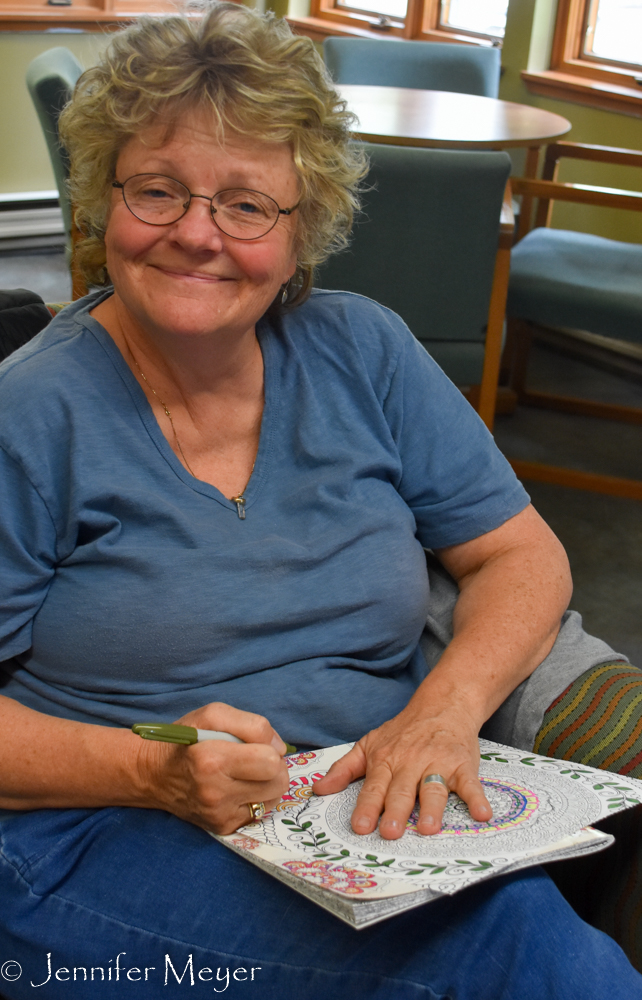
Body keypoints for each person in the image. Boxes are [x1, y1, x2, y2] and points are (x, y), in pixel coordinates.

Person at [0, 4, 641, 997]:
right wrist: (149, 770)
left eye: (247, 205)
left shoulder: (364, 349)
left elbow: (519, 554)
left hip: (352, 818)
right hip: (96, 834)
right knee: (521, 958)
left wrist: (444, 711)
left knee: (528, 939)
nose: (195, 236)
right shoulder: (32, 414)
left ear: (306, 231)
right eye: (156, 190)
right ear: (102, 198)